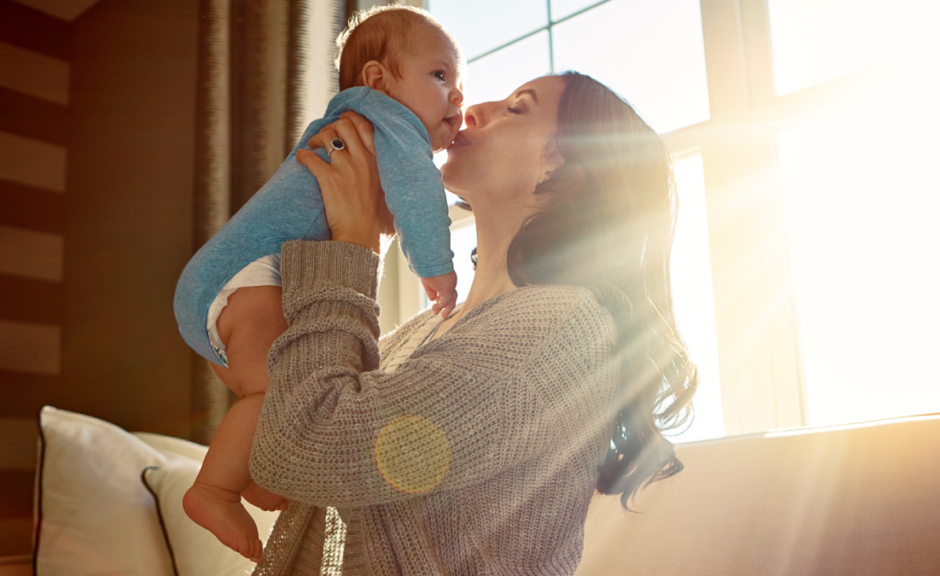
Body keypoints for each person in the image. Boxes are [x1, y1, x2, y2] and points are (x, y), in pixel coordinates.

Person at [245, 71, 701, 575]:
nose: (475, 108)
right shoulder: (423, 333)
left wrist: (348, 248)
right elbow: (293, 455)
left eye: (517, 108)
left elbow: (305, 442)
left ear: (566, 168)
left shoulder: (560, 329)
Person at [175, 6, 465, 561]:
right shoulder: (387, 120)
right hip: (247, 275)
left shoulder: (355, 124)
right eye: (440, 76)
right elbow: (418, 195)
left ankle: (258, 473)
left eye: (458, 84)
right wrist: (436, 266)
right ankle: (212, 489)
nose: (456, 97)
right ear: (379, 79)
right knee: (275, 393)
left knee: (269, 399)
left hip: (229, 284)